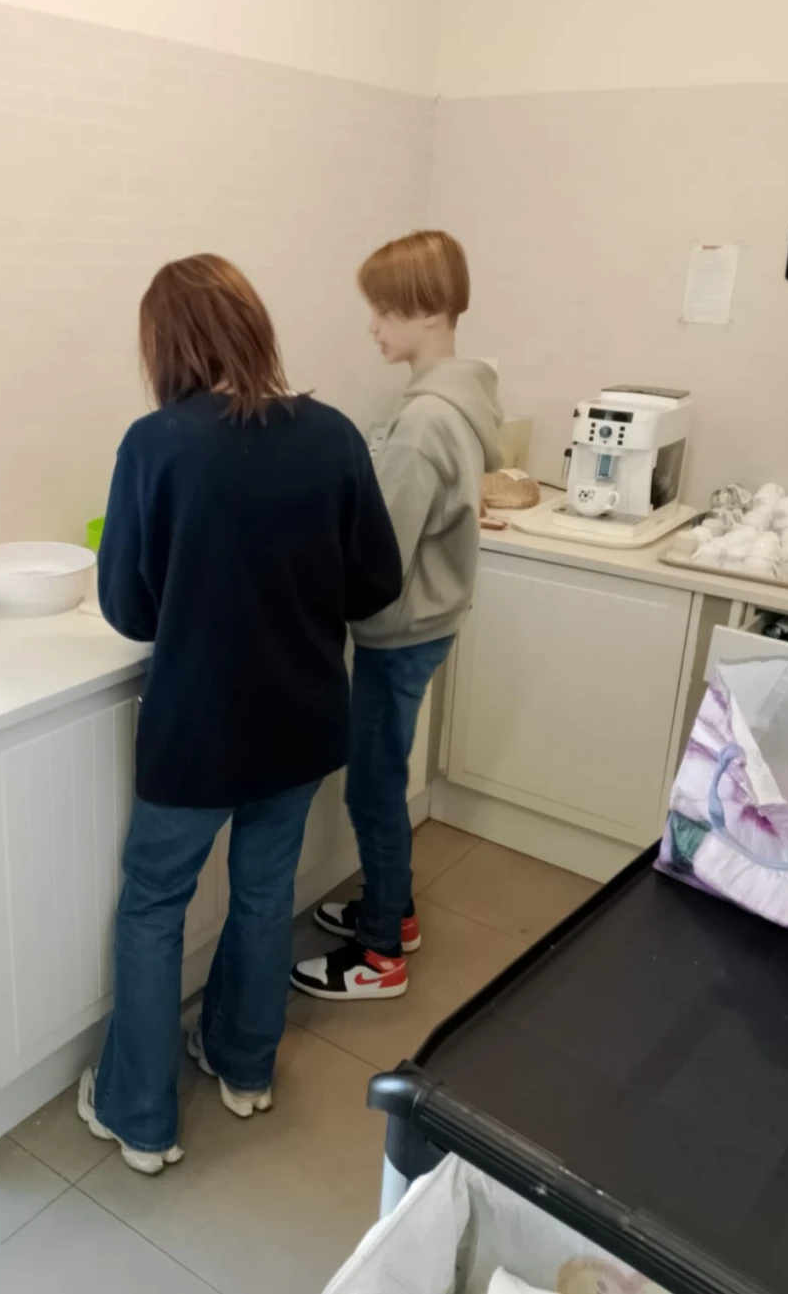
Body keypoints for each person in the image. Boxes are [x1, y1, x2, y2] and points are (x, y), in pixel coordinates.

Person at [77, 254, 402, 1173]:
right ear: (252, 326)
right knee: (265, 893)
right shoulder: (333, 435)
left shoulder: (155, 445)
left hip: (198, 732)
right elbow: (376, 582)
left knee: (154, 905)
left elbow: (128, 609)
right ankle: (243, 1064)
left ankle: (139, 1116)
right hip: (300, 722)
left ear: (166, 345)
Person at [291, 230, 503, 1003]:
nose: (372, 326)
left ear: (428, 310)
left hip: (399, 631)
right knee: (383, 774)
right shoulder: (459, 402)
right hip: (430, 621)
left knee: (374, 787)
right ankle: (396, 909)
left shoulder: (422, 422)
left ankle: (382, 951)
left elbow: (379, 554)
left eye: (383, 310)